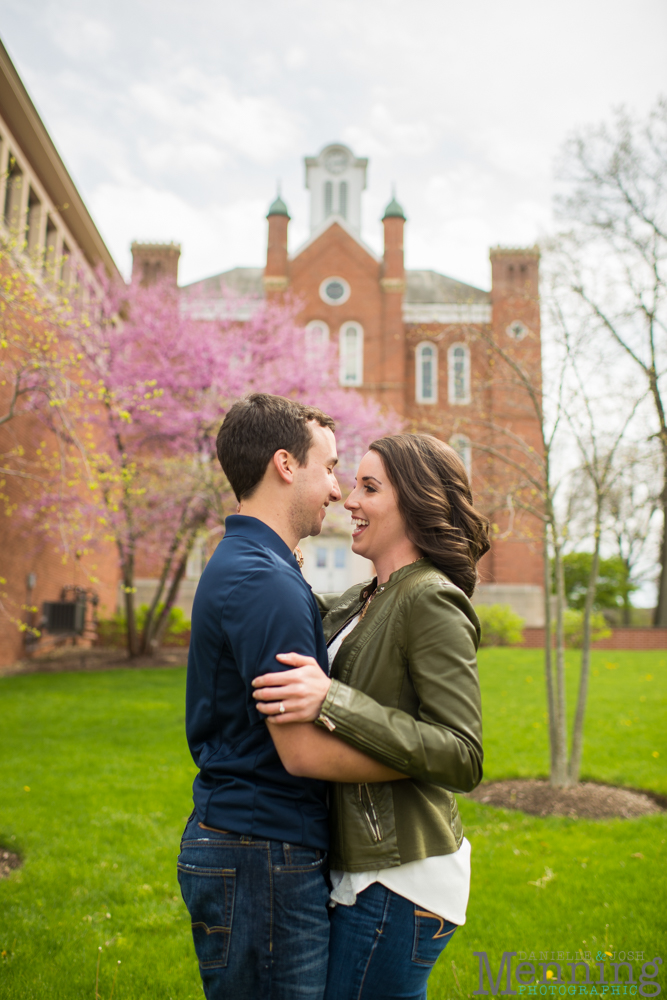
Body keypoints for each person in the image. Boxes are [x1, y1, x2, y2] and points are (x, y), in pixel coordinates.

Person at [178, 394, 408, 1000]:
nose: (337, 490)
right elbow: (302, 753)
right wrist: (418, 762)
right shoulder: (263, 580)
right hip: (263, 855)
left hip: (252, 843)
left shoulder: (254, 565)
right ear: (285, 464)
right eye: (328, 467)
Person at [253, 433, 489, 1000]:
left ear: (414, 501)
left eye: (369, 486)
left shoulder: (428, 597)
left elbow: (463, 754)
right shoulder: (370, 595)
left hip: (401, 876)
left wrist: (331, 702)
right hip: (368, 872)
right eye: (352, 483)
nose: (349, 499)